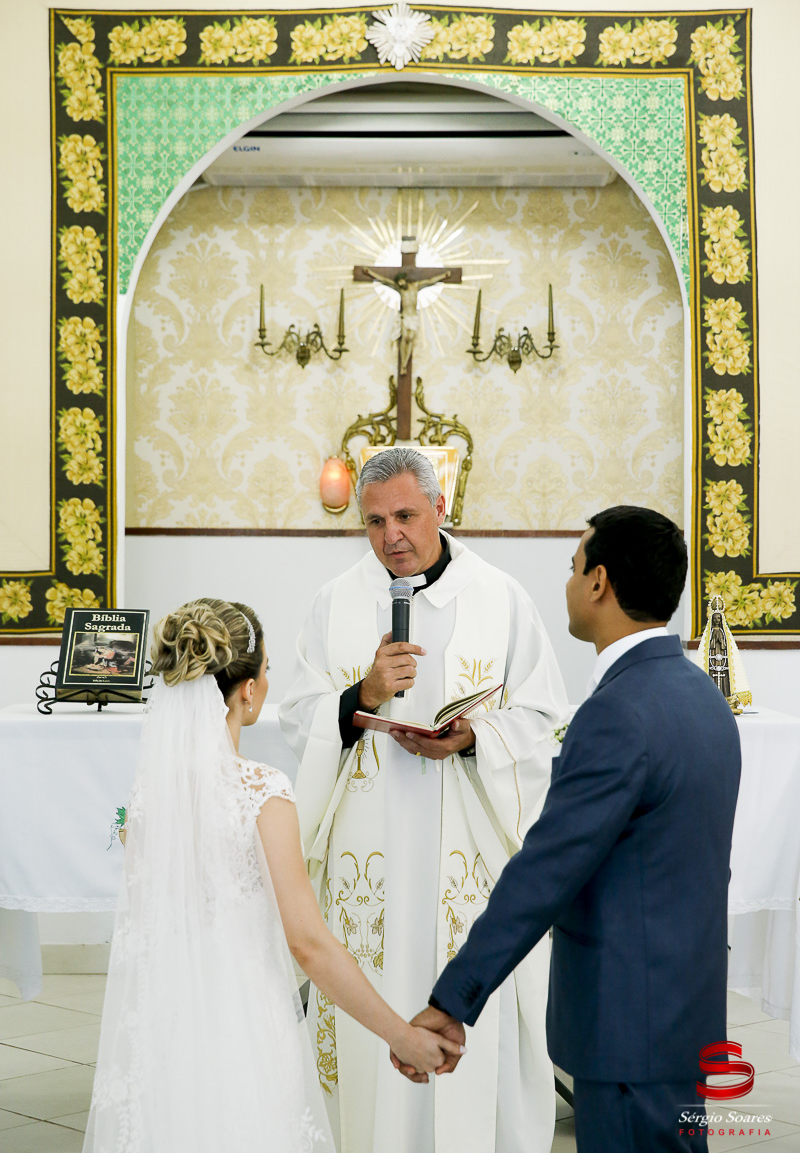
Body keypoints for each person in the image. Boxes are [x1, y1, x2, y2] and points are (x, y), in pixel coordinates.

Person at [410, 506, 741, 1153]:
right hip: (684, 1013)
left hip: (626, 1027)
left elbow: (547, 871)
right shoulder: (701, 695)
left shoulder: (617, 712)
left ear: (599, 582)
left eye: (572, 567)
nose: (566, 584)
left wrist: (453, 999)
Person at [84, 597, 461, 1153]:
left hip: (162, 1033)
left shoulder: (146, 798)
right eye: (266, 669)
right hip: (243, 1032)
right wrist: (400, 1035)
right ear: (250, 690)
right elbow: (309, 944)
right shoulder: (262, 792)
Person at [279, 448, 568, 1153]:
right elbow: (298, 715)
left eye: (406, 516)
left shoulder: (500, 598)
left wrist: (473, 739)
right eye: (374, 522)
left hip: (466, 847)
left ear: (441, 508)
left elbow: (543, 718)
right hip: (367, 852)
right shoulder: (336, 601)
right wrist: (363, 697)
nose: (391, 536)